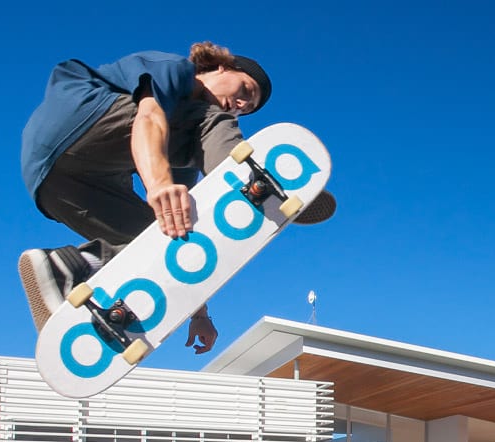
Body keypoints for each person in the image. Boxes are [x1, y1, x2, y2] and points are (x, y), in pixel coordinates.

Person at [17, 41, 334, 353]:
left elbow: (184, 224)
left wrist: (198, 313)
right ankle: (253, 181)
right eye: (245, 92)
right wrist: (158, 184)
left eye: (247, 108)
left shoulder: (186, 147)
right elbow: (149, 117)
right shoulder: (177, 70)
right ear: (221, 67)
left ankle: (67, 266)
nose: (240, 105)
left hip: (52, 184)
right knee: (210, 117)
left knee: (166, 239)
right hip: (80, 118)